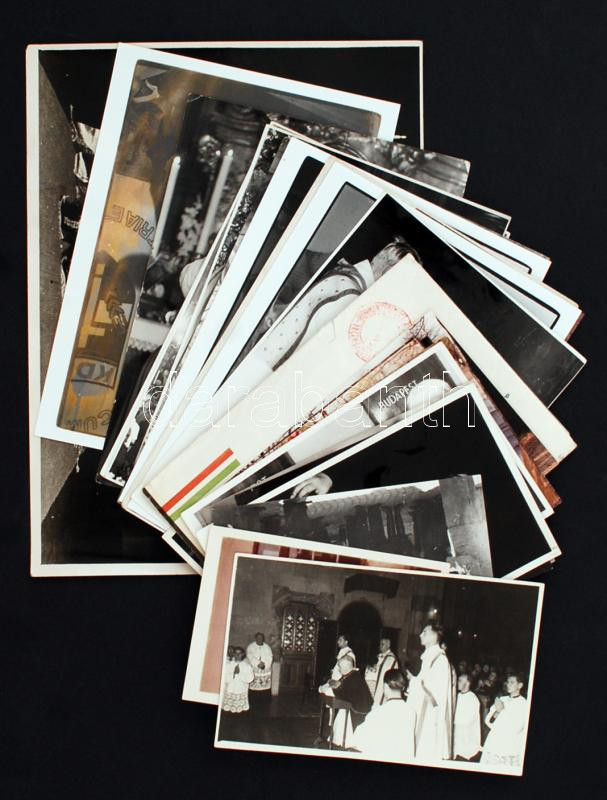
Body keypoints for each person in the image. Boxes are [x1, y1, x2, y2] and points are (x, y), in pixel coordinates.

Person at [407, 622, 455, 761]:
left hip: (429, 711)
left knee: (425, 747)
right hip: (421, 706)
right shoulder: (428, 656)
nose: (420, 635)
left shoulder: (440, 659)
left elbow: (434, 690)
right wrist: (414, 680)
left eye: (425, 632)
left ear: (435, 636)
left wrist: (413, 681)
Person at [352, 669, 416, 762]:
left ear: (385, 686)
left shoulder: (378, 713)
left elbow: (358, 740)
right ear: (402, 687)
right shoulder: (411, 712)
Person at [319, 656, 373, 748]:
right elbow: (341, 686)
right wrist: (332, 684)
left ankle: (345, 742)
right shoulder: (350, 675)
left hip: (357, 710)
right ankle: (338, 740)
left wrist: (330, 689)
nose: (339, 669)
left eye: (340, 667)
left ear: (345, 668)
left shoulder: (354, 677)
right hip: (349, 706)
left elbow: (344, 693)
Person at [481, 673, 528, 771]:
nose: (508, 684)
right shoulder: (503, 699)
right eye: (508, 682)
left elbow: (517, 728)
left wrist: (501, 711)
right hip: (494, 740)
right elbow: (488, 721)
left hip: (509, 744)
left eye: (512, 682)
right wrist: (498, 712)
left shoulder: (523, 703)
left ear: (520, 685)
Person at [453, 673, 481, 761]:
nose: (457, 682)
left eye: (460, 681)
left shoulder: (473, 699)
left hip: (466, 737)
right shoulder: (457, 695)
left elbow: (467, 720)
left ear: (468, 683)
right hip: (456, 734)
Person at [364, 638, 400, 706]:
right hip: (374, 685)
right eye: (380, 644)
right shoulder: (379, 656)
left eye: (382, 644)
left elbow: (384, 672)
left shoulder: (391, 658)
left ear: (388, 645)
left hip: (382, 686)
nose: (380, 646)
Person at [221, 647, 254, 713]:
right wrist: (233, 674)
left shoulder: (247, 666)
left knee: (241, 712)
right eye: (236, 653)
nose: (238, 655)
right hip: (230, 690)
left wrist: (239, 674)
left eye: (239, 653)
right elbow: (224, 678)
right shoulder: (228, 665)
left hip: (241, 690)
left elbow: (250, 679)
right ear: (233, 654)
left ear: (243, 654)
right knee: (229, 711)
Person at [246, 632, 274, 700]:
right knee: (254, 688)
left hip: (265, 671)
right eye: (258, 638)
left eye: (261, 638)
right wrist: (258, 664)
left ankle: (264, 701)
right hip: (255, 670)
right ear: (255, 638)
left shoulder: (267, 647)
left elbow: (270, 657)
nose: (260, 639)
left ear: (263, 639)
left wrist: (265, 665)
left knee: (265, 687)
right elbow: (250, 656)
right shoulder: (251, 646)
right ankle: (254, 701)